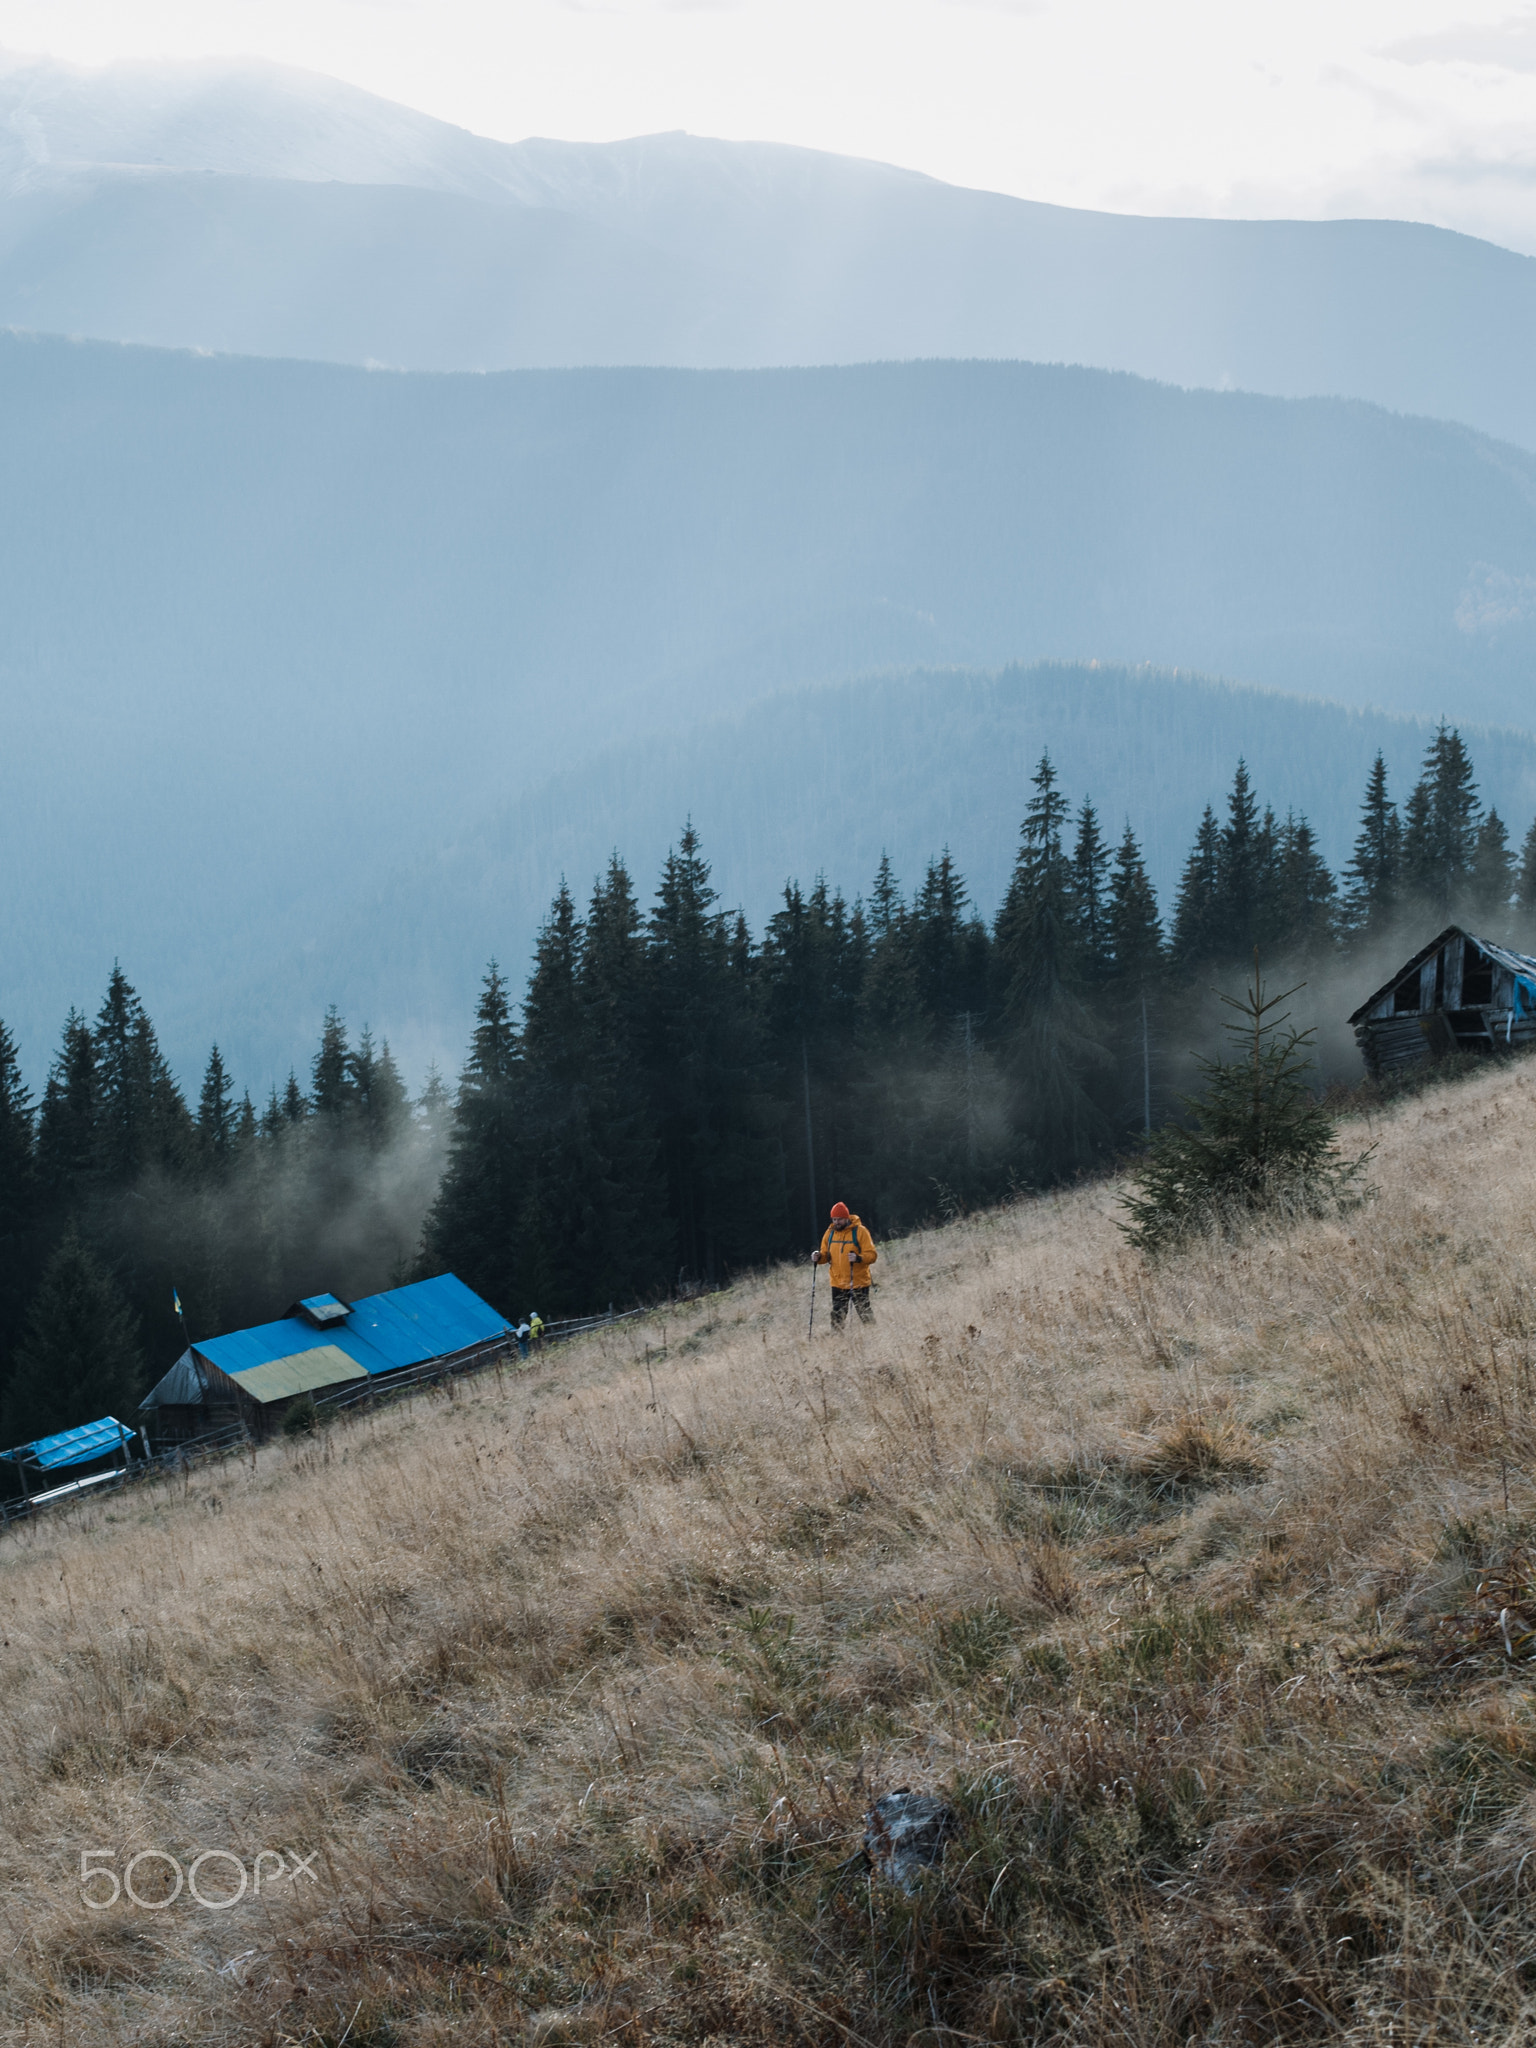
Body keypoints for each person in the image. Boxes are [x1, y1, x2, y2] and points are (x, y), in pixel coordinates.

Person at [812, 1200, 878, 1328]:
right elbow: (825, 1255)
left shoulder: (860, 1231)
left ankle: (874, 1336)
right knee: (837, 1316)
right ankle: (837, 1341)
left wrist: (858, 1258)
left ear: (846, 1218)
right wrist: (818, 1257)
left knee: (865, 1314)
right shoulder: (829, 1233)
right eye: (834, 1219)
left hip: (858, 1282)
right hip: (838, 1283)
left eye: (840, 1219)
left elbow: (872, 1255)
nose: (836, 1222)